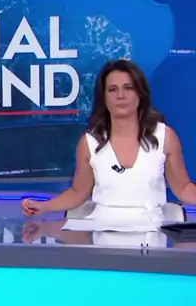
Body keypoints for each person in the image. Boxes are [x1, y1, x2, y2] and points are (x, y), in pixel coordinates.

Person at [22, 59, 196, 227]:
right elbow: (78, 193)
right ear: (104, 97)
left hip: (152, 234)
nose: (121, 96)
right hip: (102, 234)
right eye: (113, 89)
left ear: (140, 93)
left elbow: (183, 188)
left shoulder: (165, 137)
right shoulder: (90, 142)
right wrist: (44, 207)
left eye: (128, 88)